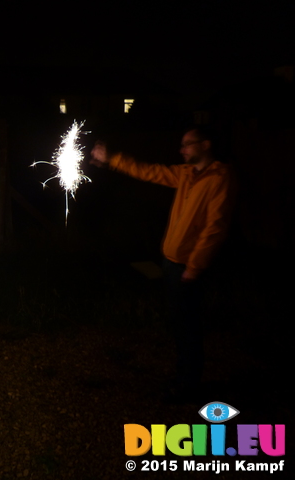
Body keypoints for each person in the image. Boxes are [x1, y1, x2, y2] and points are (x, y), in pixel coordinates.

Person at [90, 126, 236, 402]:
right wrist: (113, 159)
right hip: (170, 262)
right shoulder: (185, 174)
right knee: (179, 323)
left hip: (187, 267)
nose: (181, 150)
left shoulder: (220, 178)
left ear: (205, 145)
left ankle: (188, 386)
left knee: (188, 326)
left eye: (187, 144)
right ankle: (183, 376)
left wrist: (195, 266)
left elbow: (215, 228)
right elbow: (149, 171)